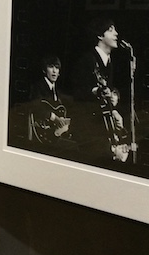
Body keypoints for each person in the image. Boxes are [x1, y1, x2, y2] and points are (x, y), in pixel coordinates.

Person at [71, 17, 125, 162]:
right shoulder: (87, 60)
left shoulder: (109, 63)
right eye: (110, 30)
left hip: (101, 129)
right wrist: (95, 91)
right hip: (87, 130)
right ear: (100, 35)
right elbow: (75, 92)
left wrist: (114, 110)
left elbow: (106, 95)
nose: (116, 33)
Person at [28, 55, 71, 144]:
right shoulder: (37, 87)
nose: (54, 71)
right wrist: (54, 118)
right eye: (51, 67)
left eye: (57, 68)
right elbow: (36, 106)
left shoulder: (57, 91)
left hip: (54, 133)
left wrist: (62, 119)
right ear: (44, 70)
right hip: (42, 133)